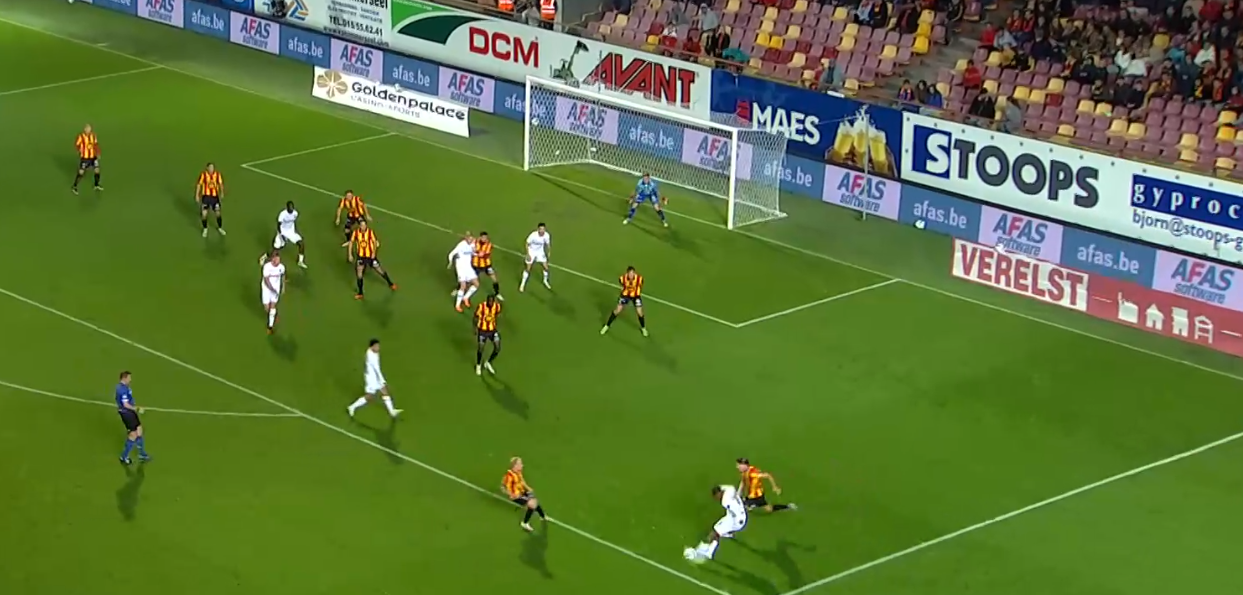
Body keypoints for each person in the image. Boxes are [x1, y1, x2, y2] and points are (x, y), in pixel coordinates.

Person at [683, 484, 747, 564]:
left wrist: (733, 526)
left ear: (719, 493)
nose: (716, 499)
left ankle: (707, 551)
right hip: (738, 516)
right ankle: (711, 550)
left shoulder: (725, 502)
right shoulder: (730, 489)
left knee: (714, 532)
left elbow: (735, 510)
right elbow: (729, 488)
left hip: (736, 520)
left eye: (716, 496)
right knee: (717, 528)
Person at [346, 339, 402, 419]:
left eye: (378, 346)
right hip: (371, 379)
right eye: (376, 346)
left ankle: (392, 411)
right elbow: (377, 369)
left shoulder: (374, 352)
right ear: (371, 347)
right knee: (369, 396)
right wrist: (383, 381)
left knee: (385, 392)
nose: (378, 348)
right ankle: (352, 407)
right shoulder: (371, 356)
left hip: (376, 377)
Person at [344, 220, 397, 299]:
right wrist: (350, 254)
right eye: (362, 225)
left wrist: (374, 253)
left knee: (379, 270)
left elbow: (375, 242)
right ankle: (360, 293)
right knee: (359, 274)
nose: (363, 227)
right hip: (361, 257)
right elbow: (351, 242)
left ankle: (391, 284)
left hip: (370, 256)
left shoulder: (370, 232)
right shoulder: (356, 233)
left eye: (364, 225)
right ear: (359, 226)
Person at [502, 457, 547, 532]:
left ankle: (542, 516)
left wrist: (528, 488)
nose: (522, 465)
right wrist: (512, 495)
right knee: (532, 504)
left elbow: (522, 481)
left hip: (523, 492)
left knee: (534, 501)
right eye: (520, 464)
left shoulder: (518, 472)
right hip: (517, 496)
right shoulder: (509, 476)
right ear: (515, 465)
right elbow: (504, 488)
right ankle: (525, 523)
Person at [600, 266, 647, 337]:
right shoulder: (622, 278)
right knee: (617, 310)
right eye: (630, 274)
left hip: (636, 296)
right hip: (625, 295)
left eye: (632, 273)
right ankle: (607, 326)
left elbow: (640, 285)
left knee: (640, 313)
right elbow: (622, 284)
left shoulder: (639, 279)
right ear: (627, 273)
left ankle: (643, 328)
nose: (631, 275)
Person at [115, 371, 150, 465]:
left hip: (130, 412)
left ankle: (141, 454)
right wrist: (137, 408)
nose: (130, 380)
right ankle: (124, 456)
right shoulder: (122, 390)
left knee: (139, 430)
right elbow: (125, 404)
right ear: (124, 378)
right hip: (126, 413)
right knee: (133, 434)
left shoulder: (123, 387)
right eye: (129, 378)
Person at [263, 201, 307, 269]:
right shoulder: (282, 214)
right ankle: (265, 256)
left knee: (301, 244)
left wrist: (292, 231)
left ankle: (300, 261)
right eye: (290, 208)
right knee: (276, 249)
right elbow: (278, 226)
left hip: (291, 232)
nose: (291, 209)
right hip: (282, 232)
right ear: (287, 208)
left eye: (292, 207)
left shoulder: (295, 213)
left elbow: (292, 222)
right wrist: (282, 236)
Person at [448, 232, 480, 311]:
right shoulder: (461, 245)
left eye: (471, 239)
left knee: (476, 284)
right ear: (466, 238)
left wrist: (478, 254)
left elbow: (472, 253)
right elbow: (451, 253)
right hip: (461, 268)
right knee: (463, 286)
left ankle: (465, 298)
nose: (470, 240)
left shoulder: (472, 244)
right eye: (469, 239)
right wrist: (450, 262)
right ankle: (457, 305)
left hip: (468, 268)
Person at [475, 293, 502, 376]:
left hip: (492, 330)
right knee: (480, 348)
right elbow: (475, 317)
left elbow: (497, 315)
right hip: (482, 330)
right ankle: (478, 365)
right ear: (487, 300)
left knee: (497, 348)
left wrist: (495, 325)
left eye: (491, 301)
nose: (490, 303)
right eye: (489, 301)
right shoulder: (481, 306)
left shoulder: (497, 306)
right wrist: (475, 328)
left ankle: (488, 362)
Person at [195, 163, 226, 237]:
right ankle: (205, 229)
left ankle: (220, 227)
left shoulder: (217, 175)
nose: (212, 169)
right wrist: (197, 195)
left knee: (218, 213)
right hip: (206, 197)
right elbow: (199, 185)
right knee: (204, 214)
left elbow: (220, 184)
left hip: (215, 198)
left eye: (213, 168)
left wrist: (222, 192)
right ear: (207, 168)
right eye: (210, 168)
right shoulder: (203, 175)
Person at [520, 223, 552, 292]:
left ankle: (545, 281)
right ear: (538, 229)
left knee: (546, 267)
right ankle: (522, 284)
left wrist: (549, 251)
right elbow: (527, 243)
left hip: (540, 252)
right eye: (541, 229)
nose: (542, 231)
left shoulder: (546, 235)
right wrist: (528, 254)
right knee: (528, 269)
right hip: (531, 251)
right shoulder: (533, 235)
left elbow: (548, 244)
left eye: (543, 229)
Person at [72, 124, 102, 195]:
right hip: (85, 158)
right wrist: (79, 150)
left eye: (90, 129)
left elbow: (96, 145)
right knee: (81, 172)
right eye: (87, 129)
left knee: (97, 170)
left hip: (93, 157)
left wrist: (98, 153)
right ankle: (74, 186)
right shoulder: (81, 136)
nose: (89, 130)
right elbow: (76, 144)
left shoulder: (93, 136)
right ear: (84, 129)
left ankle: (96, 184)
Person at [261, 250, 285, 334]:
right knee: (266, 308)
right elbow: (266, 280)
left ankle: (270, 327)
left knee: (273, 306)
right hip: (267, 289)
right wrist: (272, 289)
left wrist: (283, 287)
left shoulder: (281, 267)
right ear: (273, 259)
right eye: (276, 259)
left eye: (279, 259)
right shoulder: (267, 267)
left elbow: (283, 275)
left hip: (275, 289)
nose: (278, 261)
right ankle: (274, 314)